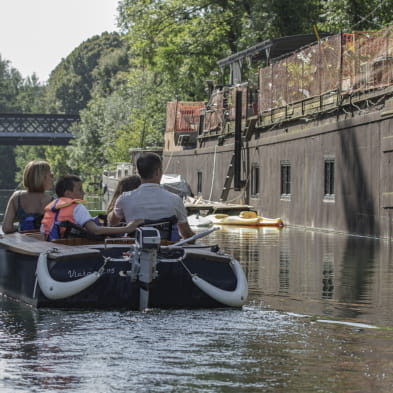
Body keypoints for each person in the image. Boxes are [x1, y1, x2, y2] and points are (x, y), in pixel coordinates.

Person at [109, 152, 195, 241]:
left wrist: (116, 206)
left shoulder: (124, 198)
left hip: (135, 249)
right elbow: (187, 234)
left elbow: (113, 222)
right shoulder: (175, 200)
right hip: (165, 250)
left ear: (139, 173)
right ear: (158, 172)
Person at [41, 174, 143, 241]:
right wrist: (127, 228)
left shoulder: (51, 207)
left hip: (51, 246)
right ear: (68, 193)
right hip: (70, 250)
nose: (84, 193)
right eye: (80, 190)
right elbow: (96, 230)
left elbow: (43, 232)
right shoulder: (77, 207)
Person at [2, 160, 53, 233]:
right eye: (51, 175)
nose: (52, 179)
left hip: (22, 242)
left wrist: (19, 230)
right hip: (43, 242)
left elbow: (6, 228)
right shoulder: (52, 201)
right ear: (42, 178)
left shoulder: (17, 197)